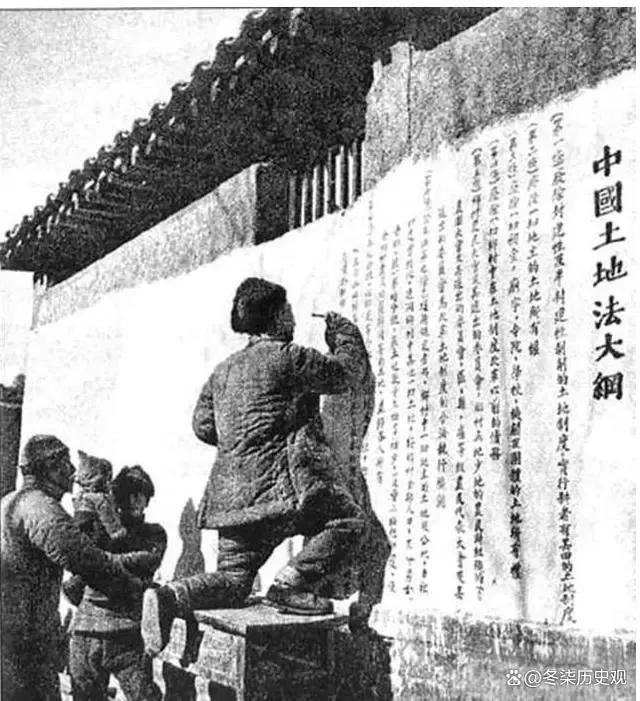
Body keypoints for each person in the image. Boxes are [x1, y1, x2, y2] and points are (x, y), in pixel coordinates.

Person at [142, 277, 367, 656]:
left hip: (230, 500)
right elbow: (344, 374)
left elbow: (203, 426)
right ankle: (292, 583)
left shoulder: (223, 371)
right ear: (277, 316)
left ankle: (168, 597)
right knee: (347, 521)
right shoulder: (288, 357)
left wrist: (243, 441)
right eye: (288, 310)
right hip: (281, 492)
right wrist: (345, 335)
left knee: (232, 581)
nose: (293, 317)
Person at [1, 434, 143, 701]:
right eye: (66, 462)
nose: (73, 470)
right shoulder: (41, 509)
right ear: (50, 468)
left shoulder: (10, 501)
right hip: (22, 644)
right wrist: (134, 588)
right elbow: (88, 562)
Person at [69, 465, 167, 701]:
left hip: (120, 633)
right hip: (89, 631)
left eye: (139, 495)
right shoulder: (100, 528)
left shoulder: (152, 533)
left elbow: (148, 560)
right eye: (128, 494)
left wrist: (99, 562)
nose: (134, 501)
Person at [62, 450, 127, 606]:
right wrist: (119, 533)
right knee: (99, 561)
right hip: (94, 534)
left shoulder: (80, 497)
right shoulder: (100, 499)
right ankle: (74, 586)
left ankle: (76, 585)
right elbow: (109, 521)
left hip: (80, 534)